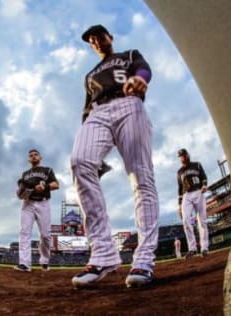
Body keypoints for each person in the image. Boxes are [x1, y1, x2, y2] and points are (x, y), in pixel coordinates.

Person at [70, 24, 159, 288]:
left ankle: (143, 260)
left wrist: (141, 78)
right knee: (79, 161)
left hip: (129, 102)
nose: (95, 41)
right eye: (91, 40)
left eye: (99, 35)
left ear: (110, 37)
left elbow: (144, 69)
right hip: (98, 113)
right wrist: (92, 144)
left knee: (140, 175)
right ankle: (104, 254)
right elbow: (87, 109)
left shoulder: (129, 54)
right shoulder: (89, 75)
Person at [14, 149, 59, 272]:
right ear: (29, 159)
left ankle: (44, 260)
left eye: (35, 155)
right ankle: (25, 263)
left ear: (40, 157)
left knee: (45, 235)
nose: (33, 157)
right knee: (24, 232)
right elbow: (21, 189)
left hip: (43, 203)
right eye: (31, 156)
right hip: (28, 204)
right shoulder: (25, 174)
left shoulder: (47, 170)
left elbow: (56, 185)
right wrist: (20, 192)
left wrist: (45, 186)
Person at [177, 148, 209, 258]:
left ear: (188, 155)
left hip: (198, 192)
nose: (183, 157)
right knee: (185, 220)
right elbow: (180, 188)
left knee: (202, 220)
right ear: (180, 158)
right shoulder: (179, 172)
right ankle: (192, 248)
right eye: (181, 156)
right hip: (186, 195)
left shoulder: (197, 165)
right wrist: (179, 204)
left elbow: (203, 176)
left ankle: (204, 248)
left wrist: (204, 185)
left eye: (184, 155)